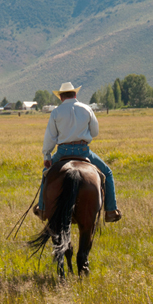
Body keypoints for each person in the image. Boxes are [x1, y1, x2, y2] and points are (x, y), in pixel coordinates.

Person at [34, 82, 122, 223]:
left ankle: (43, 209)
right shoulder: (87, 109)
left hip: (63, 152)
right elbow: (95, 132)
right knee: (107, 173)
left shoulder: (56, 112)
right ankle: (111, 210)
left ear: (61, 97)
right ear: (75, 94)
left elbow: (50, 137)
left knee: (46, 173)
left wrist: (47, 155)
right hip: (83, 151)